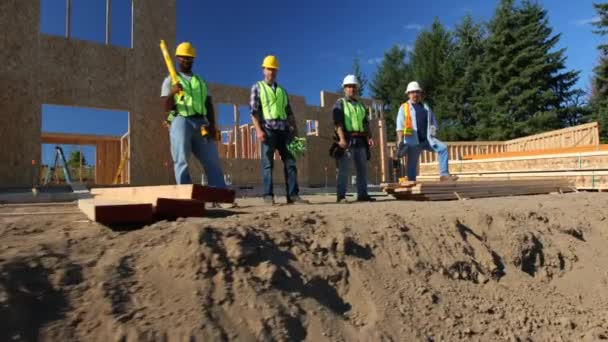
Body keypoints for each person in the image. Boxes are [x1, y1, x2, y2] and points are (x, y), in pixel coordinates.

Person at [160, 42, 226, 187]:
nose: (186, 60)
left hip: (201, 122)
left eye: (189, 58)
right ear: (178, 58)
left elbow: (208, 104)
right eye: (183, 57)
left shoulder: (200, 81)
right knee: (181, 158)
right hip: (181, 119)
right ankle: (187, 195)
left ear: (193, 59)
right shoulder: (170, 80)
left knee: (212, 159)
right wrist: (173, 92)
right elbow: (166, 107)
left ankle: (220, 194)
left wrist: (212, 125)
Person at [249, 55, 308, 205]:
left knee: (291, 163)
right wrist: (258, 130)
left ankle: (293, 196)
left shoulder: (282, 90)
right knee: (268, 164)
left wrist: (295, 132)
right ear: (263, 70)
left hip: (285, 131)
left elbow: (289, 113)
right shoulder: (257, 87)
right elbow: (253, 112)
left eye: (274, 69)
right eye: (269, 69)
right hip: (268, 130)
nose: (272, 72)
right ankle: (268, 195)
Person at [396, 81, 458, 182]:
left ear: (420, 93)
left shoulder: (426, 107)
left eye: (417, 92)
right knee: (412, 164)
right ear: (408, 94)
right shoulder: (404, 107)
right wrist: (400, 140)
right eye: (412, 92)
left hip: (428, 140)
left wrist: (433, 133)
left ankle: (444, 175)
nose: (415, 94)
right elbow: (399, 126)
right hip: (413, 141)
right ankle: (412, 184)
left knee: (443, 148)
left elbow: (433, 121)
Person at [333, 75, 376, 203]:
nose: (351, 89)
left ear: (356, 89)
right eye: (348, 87)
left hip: (361, 140)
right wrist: (341, 139)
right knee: (344, 169)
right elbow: (338, 123)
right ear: (344, 89)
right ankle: (341, 196)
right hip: (347, 139)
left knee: (362, 169)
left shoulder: (360, 106)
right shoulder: (340, 103)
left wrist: (370, 137)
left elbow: (365, 123)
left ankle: (362, 195)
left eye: (353, 86)